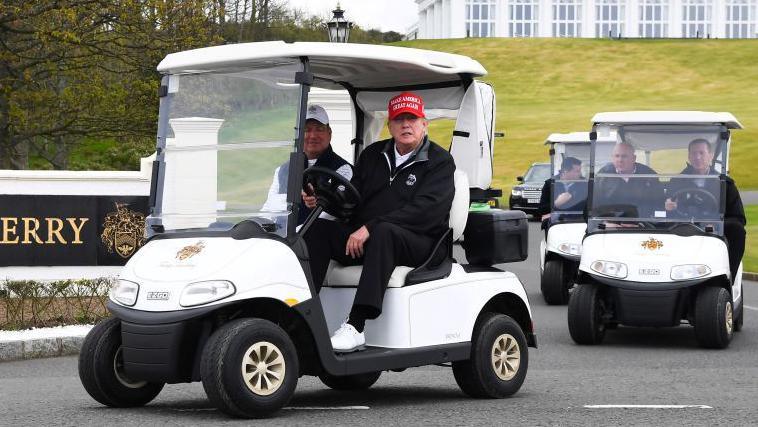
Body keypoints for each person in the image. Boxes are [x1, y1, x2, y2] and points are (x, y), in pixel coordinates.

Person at [303, 92, 455, 352]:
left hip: (422, 243)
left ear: (424, 124)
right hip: (373, 240)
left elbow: (425, 212)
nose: (406, 125)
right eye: (399, 120)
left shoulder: (439, 162)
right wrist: (323, 201)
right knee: (318, 231)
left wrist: (369, 228)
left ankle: (356, 326)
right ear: (390, 126)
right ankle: (303, 318)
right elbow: (353, 197)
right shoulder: (374, 154)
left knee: (384, 231)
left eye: (412, 119)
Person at [665, 138, 745, 282]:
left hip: (713, 228)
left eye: (702, 153)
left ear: (711, 155)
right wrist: (667, 207)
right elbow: (661, 211)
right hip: (682, 227)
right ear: (689, 156)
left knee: (737, 229)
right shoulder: (676, 181)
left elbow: (739, 218)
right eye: (694, 153)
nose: (698, 157)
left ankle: (728, 278)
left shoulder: (725, 183)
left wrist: (716, 224)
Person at [261, 104, 352, 227]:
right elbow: (269, 209)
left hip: (316, 239)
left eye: (319, 129)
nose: (313, 136)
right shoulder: (282, 170)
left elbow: (331, 214)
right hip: (281, 240)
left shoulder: (343, 170)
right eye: (306, 130)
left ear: (329, 133)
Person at [594, 141, 664, 217]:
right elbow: (597, 204)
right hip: (613, 223)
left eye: (624, 156)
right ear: (612, 158)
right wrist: (607, 221)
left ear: (634, 158)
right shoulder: (603, 176)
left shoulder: (649, 175)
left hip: (643, 222)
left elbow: (658, 202)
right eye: (617, 156)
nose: (620, 160)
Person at [539, 156, 586, 221]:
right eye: (577, 171)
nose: (580, 174)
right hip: (556, 224)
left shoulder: (584, 183)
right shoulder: (550, 184)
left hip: (577, 221)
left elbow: (586, 207)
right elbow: (542, 209)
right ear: (565, 171)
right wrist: (556, 203)